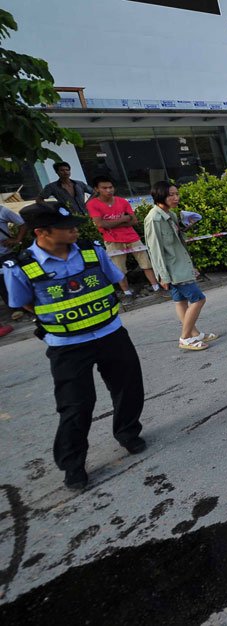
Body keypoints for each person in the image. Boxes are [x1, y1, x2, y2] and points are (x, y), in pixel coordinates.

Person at [3, 202, 146, 490]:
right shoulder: (21, 267)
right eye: (66, 227)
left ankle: (128, 433)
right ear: (41, 232)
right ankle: (73, 464)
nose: (74, 230)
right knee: (76, 406)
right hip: (67, 345)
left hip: (111, 333)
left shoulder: (92, 250)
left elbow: (115, 280)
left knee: (128, 388)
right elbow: (23, 303)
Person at [144, 181, 216, 351]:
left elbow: (178, 243)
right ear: (160, 196)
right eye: (171, 195)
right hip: (173, 269)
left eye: (177, 193)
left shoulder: (170, 215)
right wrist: (162, 275)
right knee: (198, 299)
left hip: (181, 265)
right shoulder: (154, 219)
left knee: (181, 301)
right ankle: (185, 338)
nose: (176, 198)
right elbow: (155, 250)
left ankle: (194, 334)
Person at [85, 175, 164, 299]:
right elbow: (101, 224)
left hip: (132, 237)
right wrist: (123, 219)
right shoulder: (93, 204)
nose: (108, 190)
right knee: (119, 269)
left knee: (146, 263)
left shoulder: (122, 201)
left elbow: (134, 221)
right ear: (96, 189)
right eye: (104, 188)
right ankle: (127, 293)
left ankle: (156, 287)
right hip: (112, 240)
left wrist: (112, 224)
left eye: (110, 187)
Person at [0, 203, 27, 334]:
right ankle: (14, 309)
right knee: (1, 284)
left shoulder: (2, 211)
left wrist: (17, 240)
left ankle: (23, 306)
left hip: (6, 254)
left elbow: (22, 224)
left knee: (13, 280)